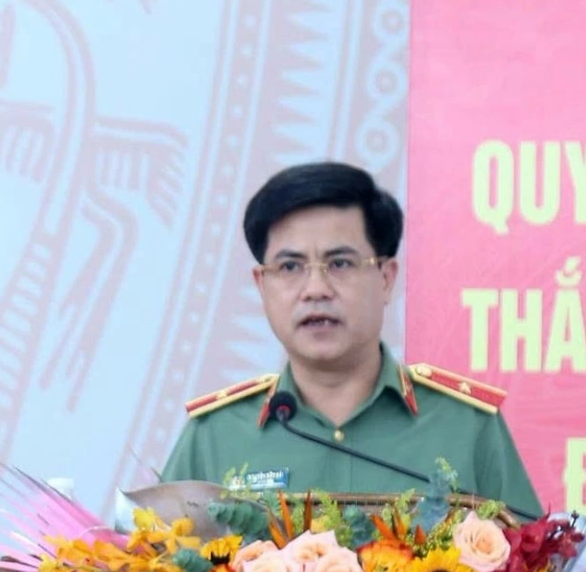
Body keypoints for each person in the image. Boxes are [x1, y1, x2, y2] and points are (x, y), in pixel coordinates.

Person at [161, 161, 543, 516]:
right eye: (290, 267)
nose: (315, 289)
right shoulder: (215, 435)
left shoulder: (466, 426)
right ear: (262, 285)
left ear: (386, 278)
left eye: (340, 264)